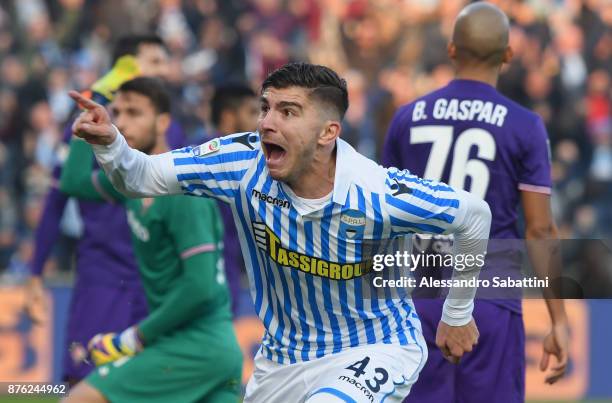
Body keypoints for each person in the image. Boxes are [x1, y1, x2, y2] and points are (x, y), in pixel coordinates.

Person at [68, 62, 491, 402]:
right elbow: (141, 176)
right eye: (266, 108)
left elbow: (475, 215)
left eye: (288, 112)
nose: (267, 122)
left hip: (375, 346)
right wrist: (111, 145)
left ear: (328, 132)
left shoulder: (378, 192)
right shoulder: (240, 162)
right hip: (282, 360)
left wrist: (457, 314)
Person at [382, 3, 568, 403]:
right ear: (508, 55)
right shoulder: (524, 124)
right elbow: (539, 229)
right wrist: (560, 320)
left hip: (421, 293)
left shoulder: (406, 118)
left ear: (451, 50)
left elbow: (384, 219)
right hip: (491, 295)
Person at [60, 77, 243, 403]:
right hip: (187, 346)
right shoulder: (132, 183)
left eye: (135, 112)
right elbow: (73, 183)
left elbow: (199, 286)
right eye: (118, 112)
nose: (124, 122)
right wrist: (85, 130)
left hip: (195, 345)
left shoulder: (183, 188)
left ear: (163, 122)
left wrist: (132, 338)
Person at [24, 34, 186, 384]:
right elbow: (58, 195)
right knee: (81, 383)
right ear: (125, 67)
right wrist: (36, 272)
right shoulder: (87, 121)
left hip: (157, 281)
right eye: (155, 61)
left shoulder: (169, 126)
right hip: (104, 275)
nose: (165, 69)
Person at [207, 83, 259, 314]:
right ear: (228, 117)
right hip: (206, 285)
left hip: (227, 280)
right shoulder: (204, 161)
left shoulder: (247, 162)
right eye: (252, 112)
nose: (261, 122)